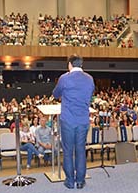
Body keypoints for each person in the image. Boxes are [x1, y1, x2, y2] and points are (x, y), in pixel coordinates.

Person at [53, 54, 95, 189]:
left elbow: (56, 94)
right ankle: (80, 181)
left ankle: (70, 181)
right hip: (83, 120)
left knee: (68, 150)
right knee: (80, 150)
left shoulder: (64, 78)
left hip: (68, 121)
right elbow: (90, 95)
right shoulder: (89, 79)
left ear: (70, 64)